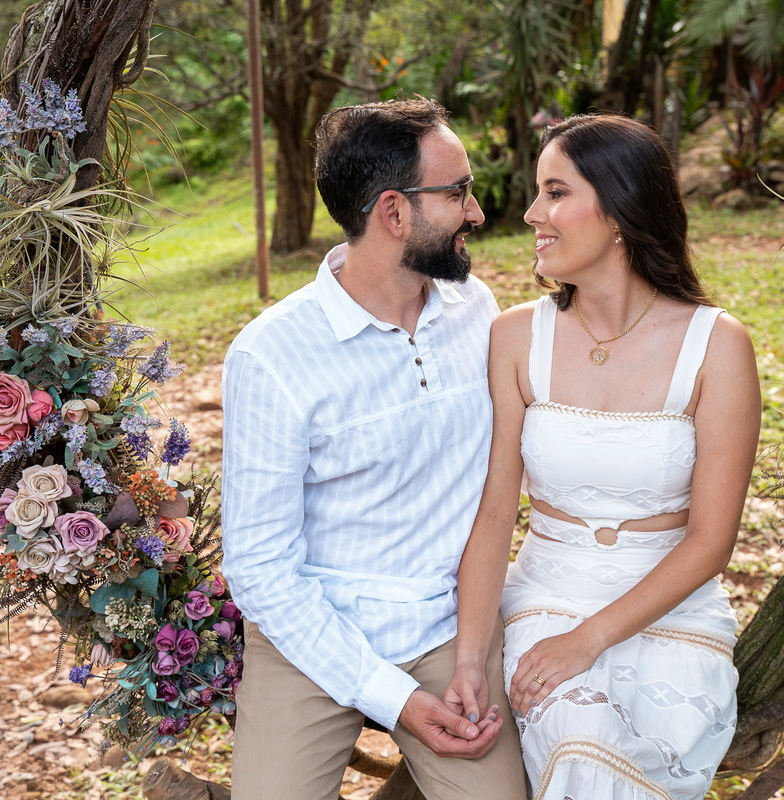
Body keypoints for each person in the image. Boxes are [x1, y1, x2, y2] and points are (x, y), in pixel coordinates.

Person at [445, 114, 761, 799]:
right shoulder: (515, 337)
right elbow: (497, 511)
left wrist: (590, 641)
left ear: (619, 207)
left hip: (674, 616)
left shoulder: (718, 345)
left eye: (554, 192)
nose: (532, 214)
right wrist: (473, 656)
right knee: (581, 745)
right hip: (547, 599)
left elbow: (711, 542)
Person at [221, 99, 527, 800]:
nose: (476, 212)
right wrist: (390, 698)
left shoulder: (475, 309)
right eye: (457, 193)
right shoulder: (270, 356)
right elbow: (262, 567)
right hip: (315, 630)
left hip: (450, 625)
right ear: (394, 213)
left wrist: (471, 656)